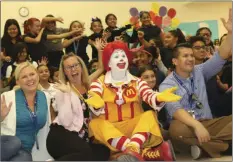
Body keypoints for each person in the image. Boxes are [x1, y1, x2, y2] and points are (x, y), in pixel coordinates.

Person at [88, 41, 181, 161]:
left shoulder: (138, 81)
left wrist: (158, 97)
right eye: (116, 57)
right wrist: (96, 104)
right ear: (109, 62)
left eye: (123, 56)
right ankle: (143, 152)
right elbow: (93, 97)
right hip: (111, 133)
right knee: (95, 124)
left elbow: (148, 94)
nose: (121, 59)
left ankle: (132, 150)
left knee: (149, 115)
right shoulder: (98, 83)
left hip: (136, 131)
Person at [159, 9, 232, 159]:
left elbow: (221, 56)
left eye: (192, 55)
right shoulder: (166, 84)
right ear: (174, 61)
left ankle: (205, 148)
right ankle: (227, 146)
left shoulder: (200, 70)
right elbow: (176, 110)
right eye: (185, 56)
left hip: (209, 122)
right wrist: (196, 125)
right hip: (187, 126)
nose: (191, 59)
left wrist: (231, 34)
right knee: (176, 129)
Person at [46, 38, 109, 161]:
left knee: (103, 151)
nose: (73, 69)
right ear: (64, 71)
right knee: (85, 152)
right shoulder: (62, 89)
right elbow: (66, 121)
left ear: (81, 66)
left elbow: (101, 68)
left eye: (75, 65)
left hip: (79, 138)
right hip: (61, 135)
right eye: (68, 67)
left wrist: (99, 50)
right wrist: (67, 94)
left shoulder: (88, 84)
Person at [1, 62, 52, 161]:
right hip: (6, 144)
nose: (30, 79)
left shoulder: (45, 97)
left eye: (32, 74)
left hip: (25, 150)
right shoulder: (6, 97)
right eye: (24, 77)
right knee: (14, 142)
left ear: (37, 75)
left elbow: (47, 126)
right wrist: (1, 118)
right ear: (18, 82)